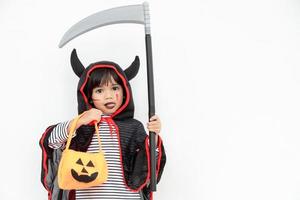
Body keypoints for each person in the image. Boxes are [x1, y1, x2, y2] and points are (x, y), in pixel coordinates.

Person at [39, 49, 166, 200]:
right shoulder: (82, 126)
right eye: (99, 90)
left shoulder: (133, 127)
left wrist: (154, 136)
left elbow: (149, 163)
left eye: (114, 88)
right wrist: (79, 121)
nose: (109, 95)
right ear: (89, 96)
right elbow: (51, 142)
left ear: (125, 92)